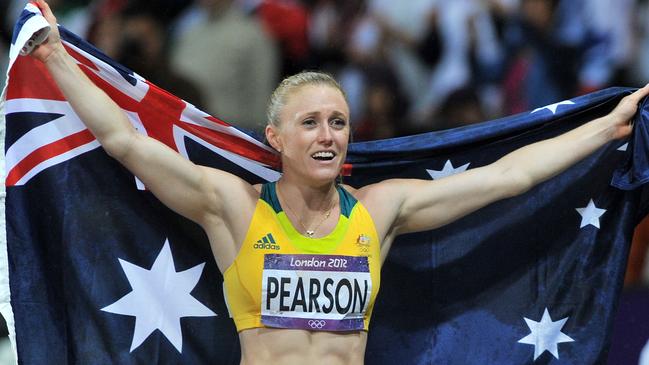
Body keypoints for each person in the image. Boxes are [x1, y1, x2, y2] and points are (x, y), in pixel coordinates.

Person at [30, 1, 649, 364]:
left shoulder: (379, 210)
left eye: (339, 123)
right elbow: (126, 143)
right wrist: (55, 55)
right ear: (275, 138)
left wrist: (604, 132)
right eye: (310, 123)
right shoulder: (231, 205)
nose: (327, 135)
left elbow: (508, 176)